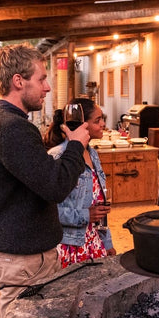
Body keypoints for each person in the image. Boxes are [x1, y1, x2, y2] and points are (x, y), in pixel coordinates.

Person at [0, 43, 90, 318]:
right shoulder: (12, 128)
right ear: (18, 81)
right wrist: (75, 147)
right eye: (41, 79)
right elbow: (56, 187)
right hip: (22, 261)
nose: (48, 87)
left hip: (19, 256)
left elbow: (39, 176)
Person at [43, 98, 116, 268]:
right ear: (81, 125)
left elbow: (99, 207)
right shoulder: (58, 156)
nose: (103, 124)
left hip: (93, 242)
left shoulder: (93, 154)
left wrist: (107, 242)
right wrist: (85, 215)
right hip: (69, 247)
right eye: (97, 120)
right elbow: (47, 212)